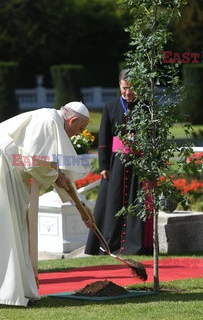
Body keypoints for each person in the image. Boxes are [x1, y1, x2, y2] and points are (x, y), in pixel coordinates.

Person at [0, 102, 93, 307]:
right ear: (73, 120)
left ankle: (11, 289)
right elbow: (35, 163)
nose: (77, 134)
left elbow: (52, 168)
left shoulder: (51, 120)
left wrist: (79, 205)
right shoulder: (48, 121)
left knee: (10, 227)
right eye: (79, 129)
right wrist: (55, 177)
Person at [85, 69, 153, 256]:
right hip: (117, 163)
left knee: (137, 202)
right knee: (112, 203)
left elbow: (152, 137)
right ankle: (108, 245)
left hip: (139, 162)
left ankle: (135, 245)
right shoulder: (110, 106)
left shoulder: (146, 107)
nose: (128, 92)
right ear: (119, 85)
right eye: (125, 88)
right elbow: (104, 140)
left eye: (131, 88)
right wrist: (104, 166)